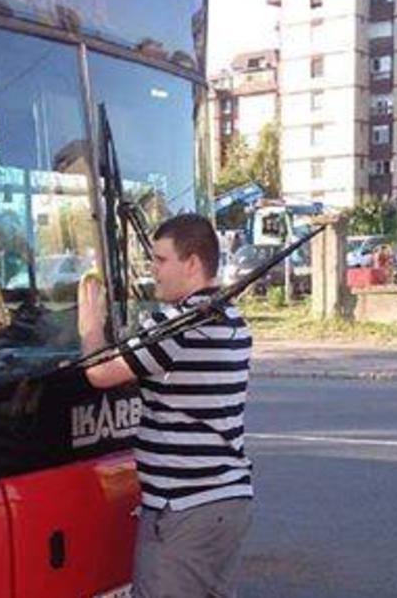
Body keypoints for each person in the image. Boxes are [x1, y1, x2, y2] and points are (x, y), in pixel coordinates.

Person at [77, 213, 253, 598]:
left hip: (184, 507)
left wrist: (90, 325)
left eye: (160, 260)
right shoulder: (233, 320)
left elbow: (99, 373)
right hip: (226, 500)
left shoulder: (177, 327)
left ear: (191, 263)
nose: (152, 270)